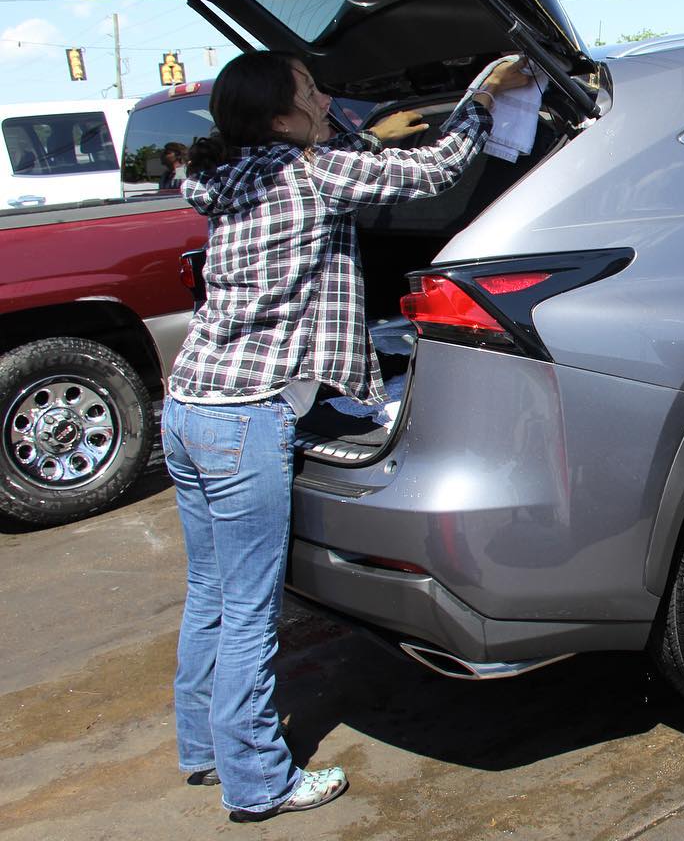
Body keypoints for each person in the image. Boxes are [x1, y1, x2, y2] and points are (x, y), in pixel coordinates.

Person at [160, 50, 532, 821]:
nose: (325, 97)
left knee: (212, 593)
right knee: (251, 609)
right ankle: (258, 781)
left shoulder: (226, 174)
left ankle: (202, 746)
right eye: (310, 91)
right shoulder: (310, 175)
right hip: (245, 420)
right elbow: (436, 171)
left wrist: (368, 133)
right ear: (279, 118)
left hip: (188, 409)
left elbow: (332, 159)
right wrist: (483, 99)